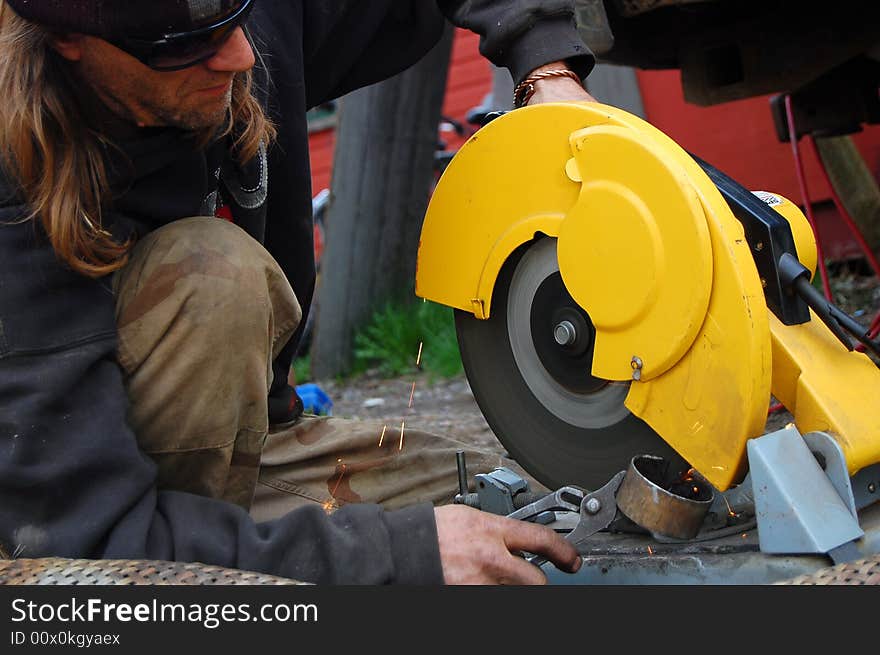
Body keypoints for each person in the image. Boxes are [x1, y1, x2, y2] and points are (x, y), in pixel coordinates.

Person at [0, 0, 598, 584]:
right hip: (87, 515)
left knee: (529, 515)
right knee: (213, 275)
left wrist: (546, 68)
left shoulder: (241, 31)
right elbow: (94, 545)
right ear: (67, 39)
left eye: (237, 20)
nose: (239, 56)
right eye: (186, 47)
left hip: (254, 450)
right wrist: (400, 555)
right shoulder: (15, 195)